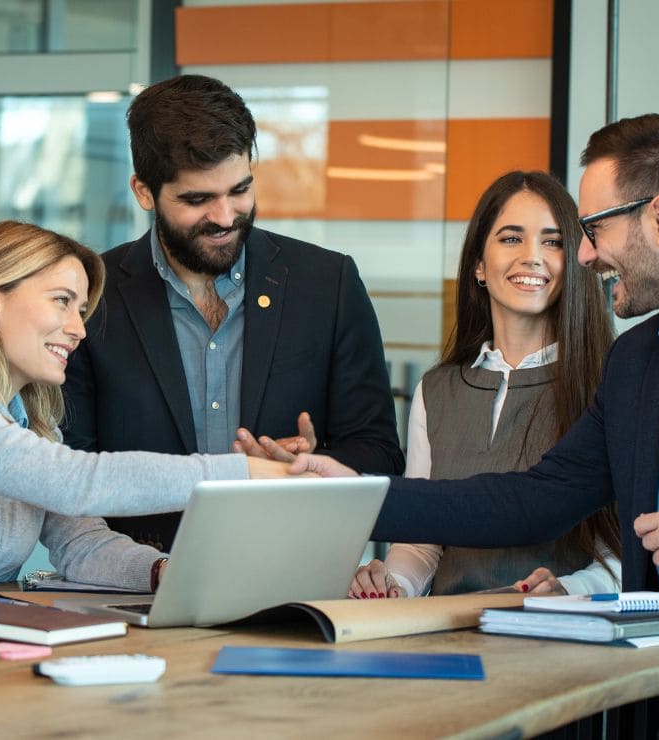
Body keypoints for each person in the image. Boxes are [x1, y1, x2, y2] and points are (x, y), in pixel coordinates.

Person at [293, 114, 659, 627]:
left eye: (594, 228)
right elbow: (530, 500)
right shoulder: (637, 361)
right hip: (658, 679)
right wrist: (353, 494)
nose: (584, 254)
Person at [61, 73, 403, 550]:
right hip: (133, 585)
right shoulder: (92, 295)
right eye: (197, 200)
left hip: (295, 573)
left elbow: (381, 453)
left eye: (239, 190)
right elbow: (70, 467)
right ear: (144, 192)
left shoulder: (328, 284)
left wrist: (307, 464)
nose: (225, 217)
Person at [0, 221, 290, 591]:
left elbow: (83, 544)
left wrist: (164, 573)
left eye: (80, 310)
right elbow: (76, 482)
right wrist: (245, 472)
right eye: (62, 301)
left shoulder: (31, 429)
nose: (78, 329)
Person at [350, 172, 621, 599]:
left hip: (562, 640)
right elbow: (423, 540)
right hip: (445, 638)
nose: (532, 257)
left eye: (552, 242)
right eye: (511, 238)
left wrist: (570, 589)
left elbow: (622, 551)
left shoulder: (609, 382)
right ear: (479, 263)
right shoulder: (435, 390)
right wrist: (393, 584)